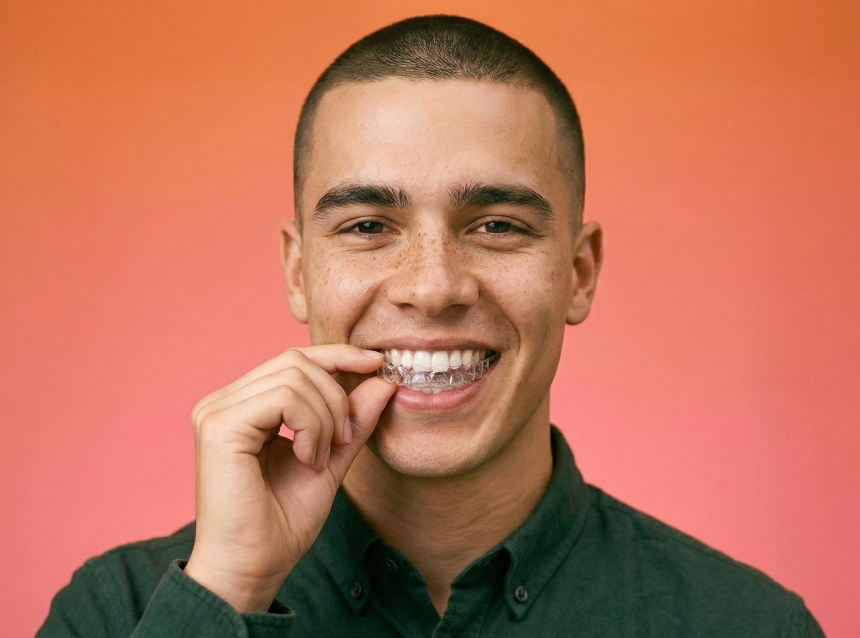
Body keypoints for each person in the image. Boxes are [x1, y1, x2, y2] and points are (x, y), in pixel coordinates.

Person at [38, 15, 825, 637]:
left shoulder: (749, 626)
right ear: (296, 270)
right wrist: (228, 591)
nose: (433, 286)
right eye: (368, 227)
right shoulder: (122, 613)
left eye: (497, 225)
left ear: (579, 272)